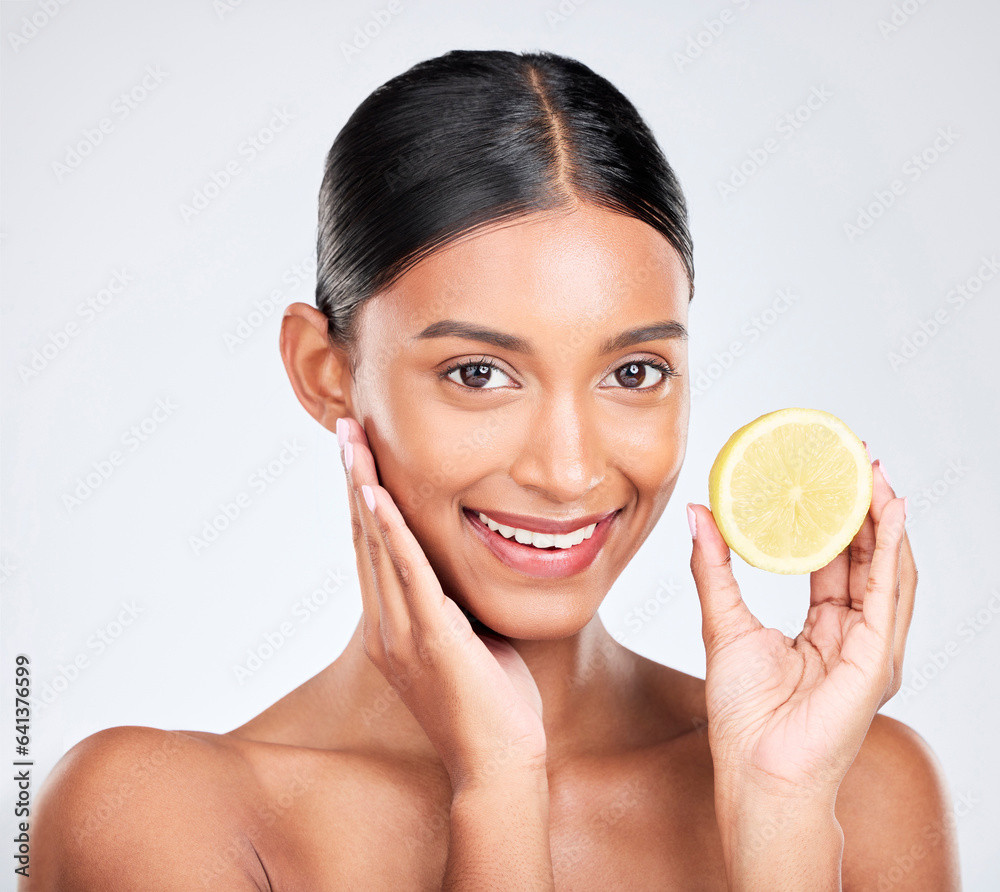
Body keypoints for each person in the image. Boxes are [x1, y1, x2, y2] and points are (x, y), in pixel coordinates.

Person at [27, 49, 959, 890]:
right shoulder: (159, 818)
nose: (567, 471)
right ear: (327, 374)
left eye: (634, 373)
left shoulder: (857, 791)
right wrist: (497, 792)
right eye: (479, 373)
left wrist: (785, 820)